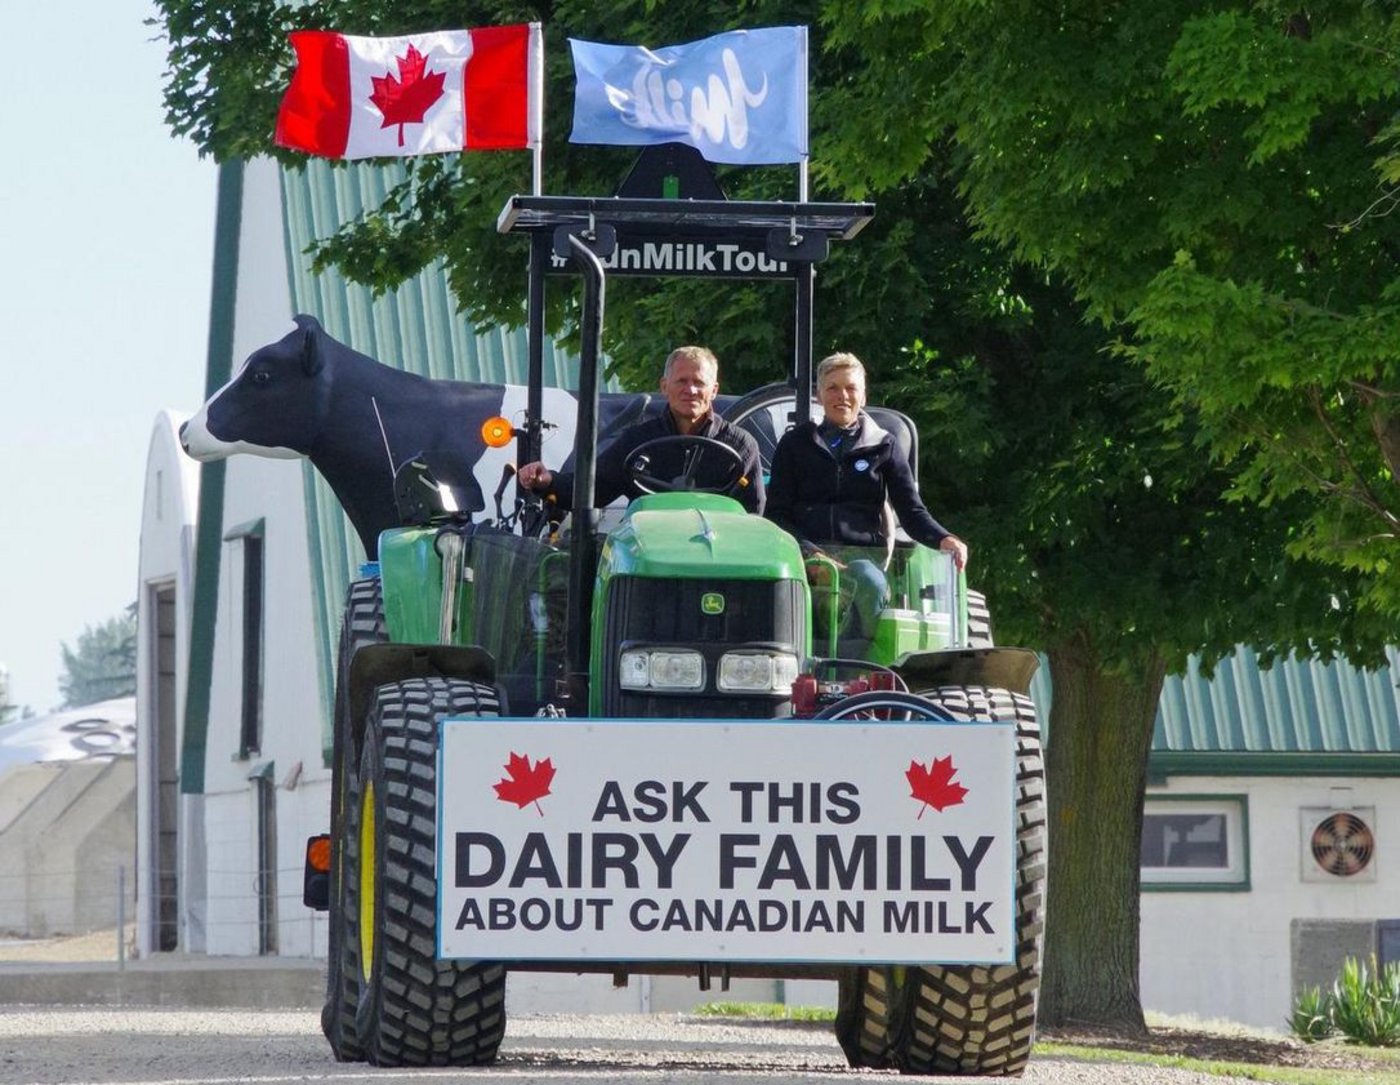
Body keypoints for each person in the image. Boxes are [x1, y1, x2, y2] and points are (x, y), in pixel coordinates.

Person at [764, 352, 967, 639]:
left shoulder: (884, 446)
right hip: (803, 558)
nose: (842, 396)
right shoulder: (795, 444)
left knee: (869, 582)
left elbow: (911, 511)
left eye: (850, 388)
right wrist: (810, 553)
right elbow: (776, 515)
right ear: (819, 396)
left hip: (858, 558)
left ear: (863, 395)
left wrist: (945, 538)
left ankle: (859, 672)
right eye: (832, 388)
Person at [517, 345, 765, 514]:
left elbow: (754, 513)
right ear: (664, 386)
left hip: (718, 551)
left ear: (714, 390)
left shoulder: (740, 445)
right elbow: (595, 488)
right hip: (650, 548)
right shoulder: (638, 440)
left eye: (699, 383)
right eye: (682, 381)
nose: (690, 390)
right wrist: (547, 480)